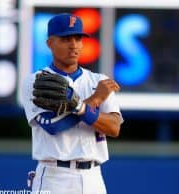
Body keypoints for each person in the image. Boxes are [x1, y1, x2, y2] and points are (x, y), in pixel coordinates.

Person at [21, 13, 123, 194]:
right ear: (50, 43)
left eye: (78, 38)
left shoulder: (99, 81)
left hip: (94, 177)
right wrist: (93, 101)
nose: (74, 44)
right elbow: (52, 126)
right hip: (54, 176)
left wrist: (80, 106)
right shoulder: (37, 81)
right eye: (66, 38)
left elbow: (114, 127)